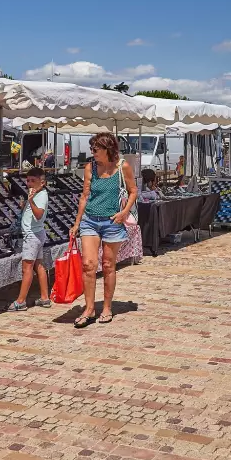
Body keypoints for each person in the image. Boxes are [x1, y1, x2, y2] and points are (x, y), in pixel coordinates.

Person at [71, 132, 137, 328]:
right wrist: (76, 223)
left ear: (108, 149)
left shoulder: (122, 166)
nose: (92, 152)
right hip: (90, 220)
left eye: (95, 149)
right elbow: (84, 196)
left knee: (108, 265)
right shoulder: (90, 167)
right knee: (88, 265)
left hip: (112, 221)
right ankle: (89, 309)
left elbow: (133, 191)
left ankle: (107, 307)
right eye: (92, 148)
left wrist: (124, 212)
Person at [8, 167, 52, 312]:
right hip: (36, 233)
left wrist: (31, 201)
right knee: (39, 266)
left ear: (42, 182)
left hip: (32, 235)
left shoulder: (40, 196)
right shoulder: (37, 194)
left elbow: (39, 214)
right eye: (28, 181)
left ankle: (21, 301)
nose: (29, 184)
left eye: (33, 181)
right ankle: (45, 297)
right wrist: (25, 205)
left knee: (26, 268)